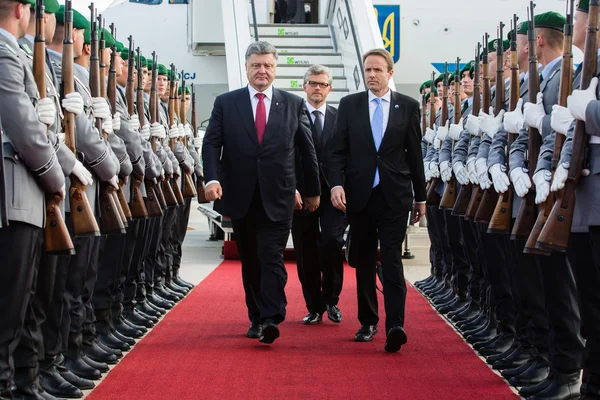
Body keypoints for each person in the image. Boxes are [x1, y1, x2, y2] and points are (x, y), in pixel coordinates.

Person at [202, 41, 320, 345]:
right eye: (256, 65)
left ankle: (271, 316)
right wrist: (211, 179)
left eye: (267, 65)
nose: (262, 71)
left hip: (279, 196)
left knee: (271, 256)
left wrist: (311, 191)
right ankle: (255, 316)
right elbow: (212, 144)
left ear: (275, 69)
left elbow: (307, 151)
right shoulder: (226, 103)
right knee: (251, 260)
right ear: (246, 68)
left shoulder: (293, 104)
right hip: (241, 197)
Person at [324, 48, 426, 353]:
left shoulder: (407, 107)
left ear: (390, 74)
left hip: (395, 196)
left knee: (392, 259)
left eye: (378, 70)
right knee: (364, 259)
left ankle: (396, 324)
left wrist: (420, 198)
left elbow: (415, 155)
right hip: (360, 196)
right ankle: (368, 322)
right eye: (368, 70)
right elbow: (335, 151)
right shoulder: (350, 105)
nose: (372, 75)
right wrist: (336, 185)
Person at [291, 64, 344, 325]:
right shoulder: (292, 116)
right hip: (301, 194)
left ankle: (331, 300)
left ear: (330, 88)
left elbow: (347, 156)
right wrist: (293, 189)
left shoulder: (339, 117)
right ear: (304, 86)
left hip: (334, 193)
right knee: (305, 249)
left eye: (323, 84)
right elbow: (286, 156)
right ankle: (314, 306)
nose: (317, 88)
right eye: (312, 83)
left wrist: (342, 186)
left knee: (333, 242)